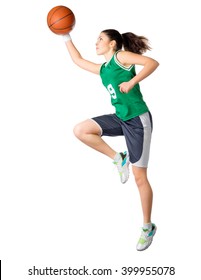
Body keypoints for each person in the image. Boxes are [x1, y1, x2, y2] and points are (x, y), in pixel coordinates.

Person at [62, 29, 159, 251]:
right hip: (121, 118)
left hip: (137, 120)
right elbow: (77, 60)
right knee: (81, 130)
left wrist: (133, 82)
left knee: (140, 178)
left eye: (100, 39)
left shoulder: (121, 58)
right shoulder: (104, 69)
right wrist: (65, 35)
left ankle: (147, 227)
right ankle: (118, 157)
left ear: (113, 44)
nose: (96, 42)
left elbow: (152, 63)